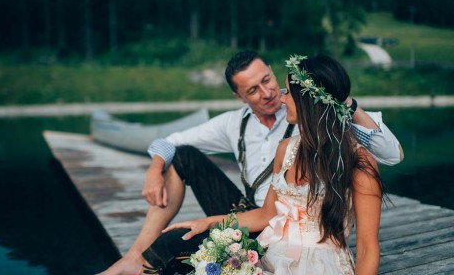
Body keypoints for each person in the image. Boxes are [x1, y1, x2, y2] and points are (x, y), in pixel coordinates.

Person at [98, 50, 402, 275]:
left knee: (180, 258)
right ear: (239, 95)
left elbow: (391, 155)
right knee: (176, 229)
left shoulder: (344, 148)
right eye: (252, 90)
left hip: (309, 247)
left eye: (270, 82)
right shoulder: (246, 129)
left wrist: (344, 101)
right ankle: (135, 256)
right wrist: (156, 170)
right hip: (263, 221)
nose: (273, 95)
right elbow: (171, 141)